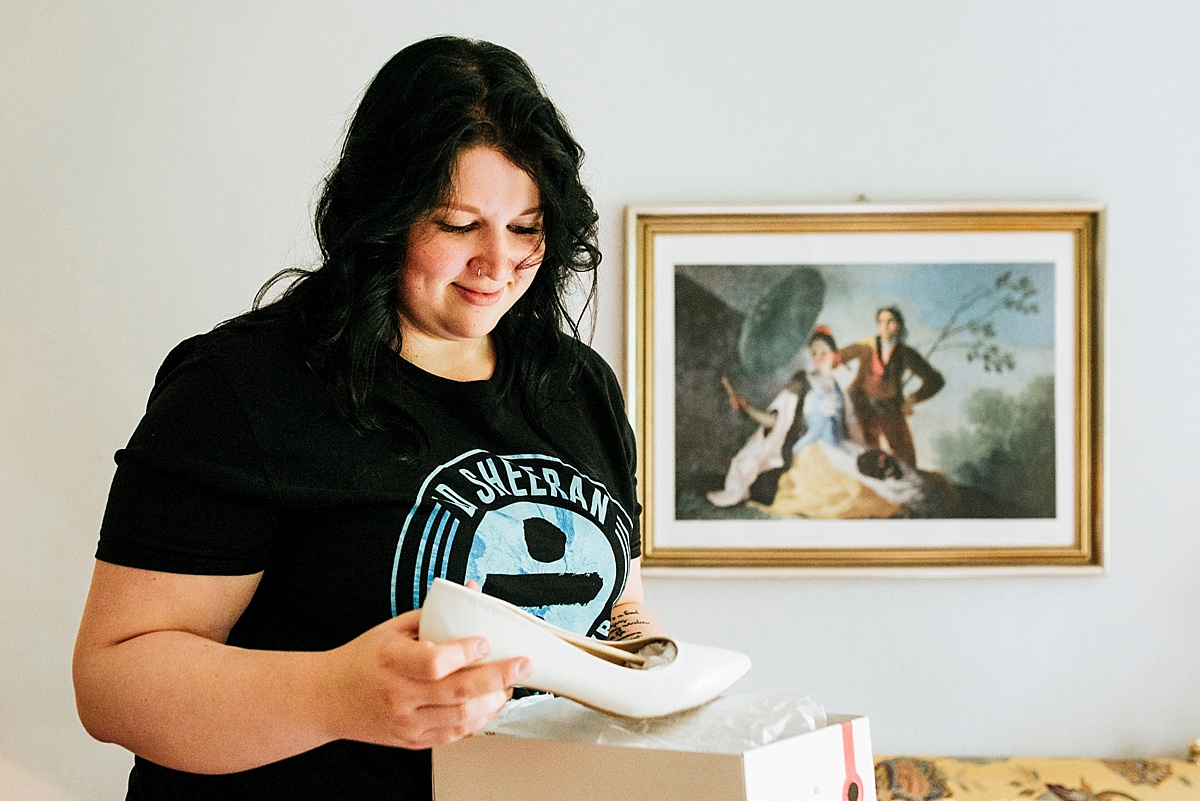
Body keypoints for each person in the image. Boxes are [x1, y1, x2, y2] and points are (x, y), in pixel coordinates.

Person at [72, 36, 664, 801]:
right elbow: (113, 680)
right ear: (384, 216)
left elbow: (620, 608)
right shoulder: (242, 387)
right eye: (458, 224)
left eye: (525, 226)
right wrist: (335, 693)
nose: (499, 262)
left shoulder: (579, 385)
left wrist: (657, 666)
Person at [706, 326, 850, 508]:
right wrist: (747, 407)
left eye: (824, 352)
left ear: (835, 355)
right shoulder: (802, 382)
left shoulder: (837, 389)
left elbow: (843, 426)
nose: (818, 357)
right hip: (807, 451)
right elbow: (775, 421)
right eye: (814, 352)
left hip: (834, 450)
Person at [838, 306, 944, 467]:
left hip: (889, 407)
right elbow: (837, 357)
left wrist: (913, 399)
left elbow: (935, 380)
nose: (885, 326)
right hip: (860, 405)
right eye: (881, 322)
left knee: (906, 460)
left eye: (890, 321)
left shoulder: (905, 353)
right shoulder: (868, 345)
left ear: (899, 325)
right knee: (860, 451)